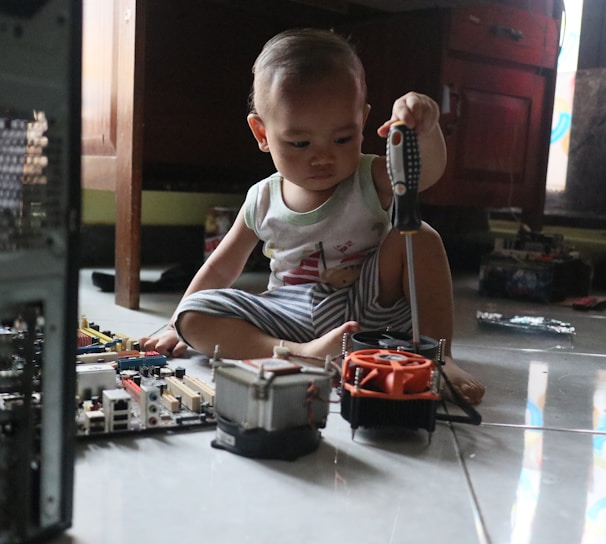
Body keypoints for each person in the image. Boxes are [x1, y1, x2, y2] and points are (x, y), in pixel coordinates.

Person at [140, 28, 485, 405]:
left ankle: (438, 356)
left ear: (363, 121)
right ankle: (298, 352)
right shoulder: (262, 198)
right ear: (262, 133)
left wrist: (427, 128)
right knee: (194, 314)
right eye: (300, 143)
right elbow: (221, 269)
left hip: (368, 303)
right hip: (289, 313)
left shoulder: (370, 177)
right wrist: (175, 325)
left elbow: (426, 175)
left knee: (419, 234)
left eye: (342, 139)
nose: (323, 157)